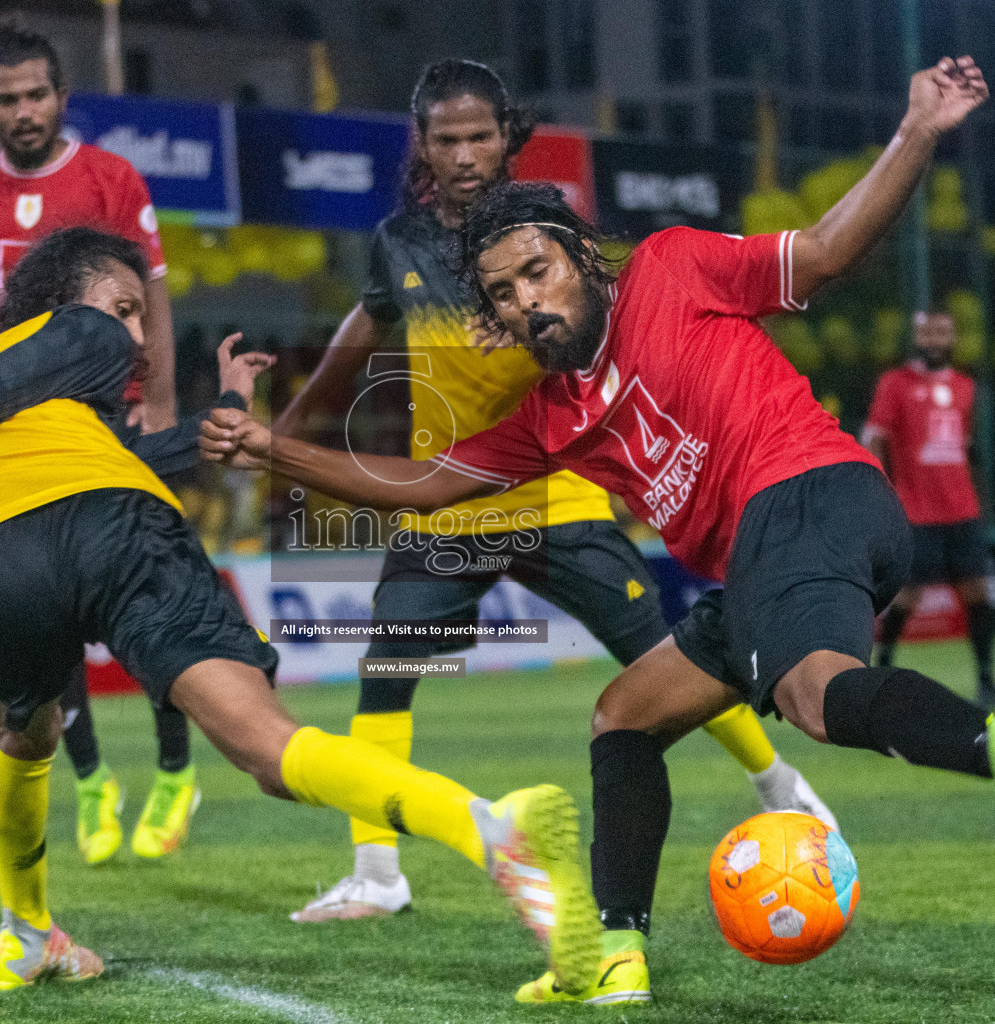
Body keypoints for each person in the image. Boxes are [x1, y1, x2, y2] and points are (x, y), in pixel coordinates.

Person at [203, 57, 995, 1004]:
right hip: (765, 550)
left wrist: (918, 130)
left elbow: (826, 254)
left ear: (580, 256)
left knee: (813, 697)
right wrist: (269, 447)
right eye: (502, 295)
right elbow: (422, 485)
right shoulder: (547, 416)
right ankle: (618, 954)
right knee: (626, 714)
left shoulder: (671, 266)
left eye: (536, 272)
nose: (525, 302)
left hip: (806, 490)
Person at [0, 226, 604, 996]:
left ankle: (25, 930)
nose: (134, 336)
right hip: (116, 532)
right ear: (67, 305)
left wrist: (229, 410)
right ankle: (490, 831)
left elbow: (133, 453)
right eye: (124, 309)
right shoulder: (65, 337)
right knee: (268, 748)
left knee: (26, 729)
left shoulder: (44, 403)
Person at [272, 59, 833, 977]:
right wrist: (288, 427)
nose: (462, 154)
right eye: (445, 139)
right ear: (425, 145)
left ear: (508, 137)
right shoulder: (398, 242)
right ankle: (377, 874)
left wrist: (534, 335)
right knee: (386, 674)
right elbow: (361, 333)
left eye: (478, 136)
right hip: (446, 497)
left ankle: (785, 789)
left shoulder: (548, 235)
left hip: (554, 488)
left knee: (664, 653)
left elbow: (609, 332)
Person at [0, 16, 195, 866]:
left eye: (38, 93)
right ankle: (90, 782)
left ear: (61, 97)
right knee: (49, 609)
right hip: (14, 424)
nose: (24, 109)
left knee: (155, 585)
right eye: (8, 98)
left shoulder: (111, 178)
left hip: (106, 415)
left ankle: (176, 768)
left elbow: (151, 295)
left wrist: (157, 399)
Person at [864, 311, 995, 709]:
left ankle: (987, 683)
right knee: (908, 597)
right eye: (927, 332)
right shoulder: (895, 384)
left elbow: (961, 447)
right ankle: (881, 672)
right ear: (916, 336)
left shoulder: (966, 386)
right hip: (915, 512)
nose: (935, 339)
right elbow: (874, 437)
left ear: (952, 338)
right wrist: (879, 489)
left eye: (943, 332)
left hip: (962, 510)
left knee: (977, 593)